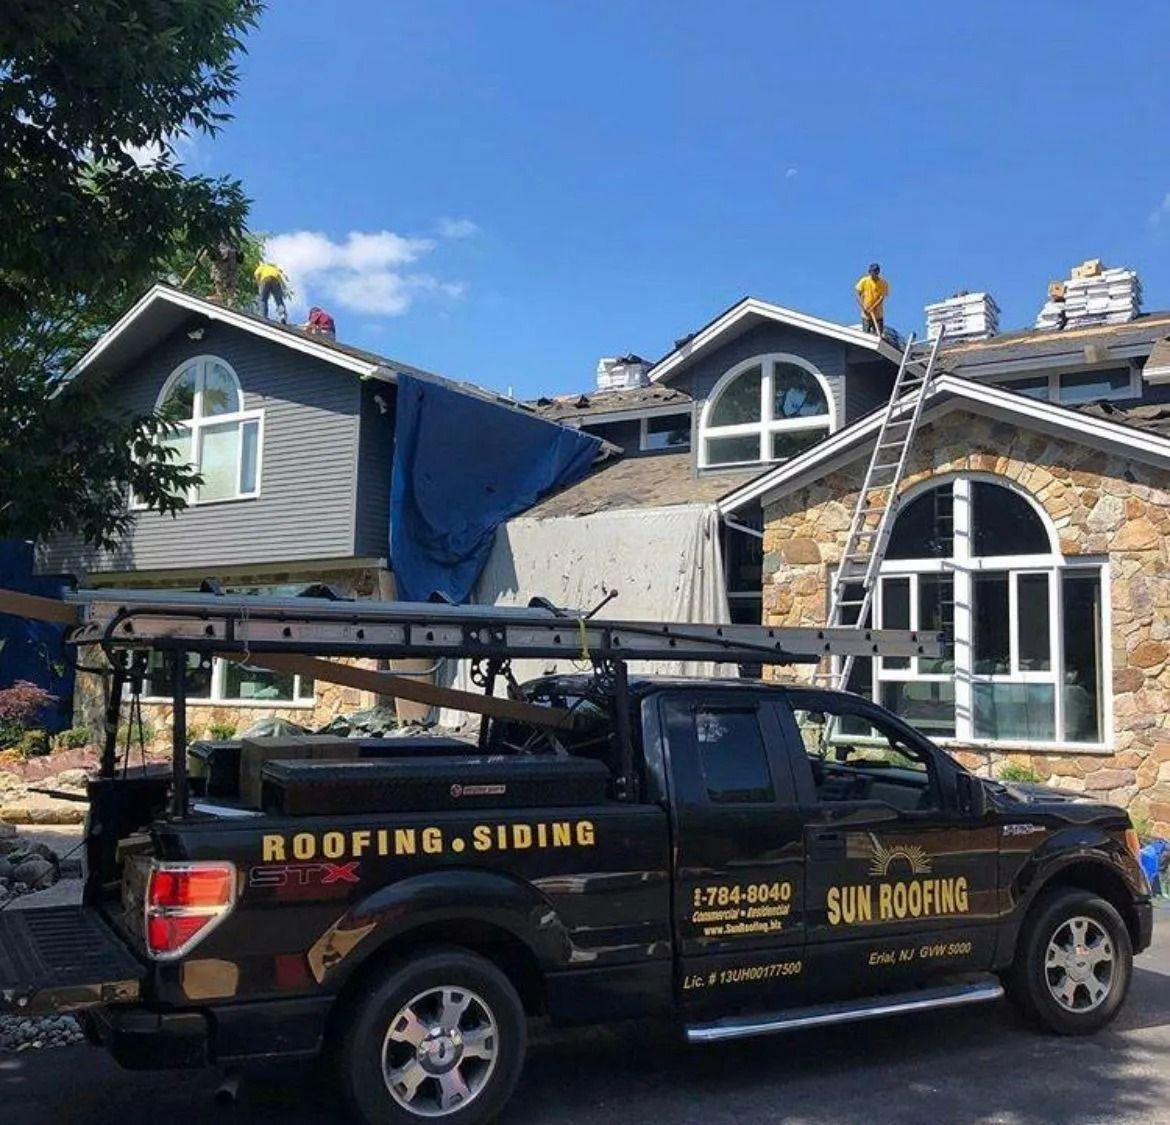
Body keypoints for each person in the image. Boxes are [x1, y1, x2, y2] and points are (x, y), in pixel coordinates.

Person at [855, 262, 889, 336]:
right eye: (872, 272)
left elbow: (882, 297)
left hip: (878, 314)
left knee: (878, 334)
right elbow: (857, 294)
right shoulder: (864, 281)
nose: (874, 274)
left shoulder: (883, 283)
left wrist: (873, 307)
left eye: (876, 272)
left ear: (878, 272)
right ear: (869, 272)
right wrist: (863, 307)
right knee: (866, 335)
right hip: (866, 314)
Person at [209, 239, 240, 304]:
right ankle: (230, 300)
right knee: (230, 284)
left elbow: (214, 256)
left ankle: (220, 295)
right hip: (232, 265)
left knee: (218, 279)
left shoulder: (220, 240)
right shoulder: (234, 244)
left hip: (223, 264)